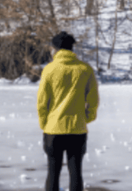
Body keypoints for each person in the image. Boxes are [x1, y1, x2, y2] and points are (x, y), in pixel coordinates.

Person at [37, 31, 99, 191]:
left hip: (53, 130)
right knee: (76, 172)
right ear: (72, 48)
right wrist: (87, 118)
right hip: (77, 129)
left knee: (52, 173)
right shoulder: (85, 69)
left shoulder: (49, 70)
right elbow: (93, 100)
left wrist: (45, 124)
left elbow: (42, 102)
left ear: (54, 48)